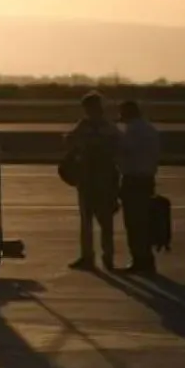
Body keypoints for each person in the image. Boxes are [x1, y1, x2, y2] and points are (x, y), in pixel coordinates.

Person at [64, 91, 121, 270]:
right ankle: (104, 257)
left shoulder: (89, 126)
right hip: (97, 178)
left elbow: (69, 141)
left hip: (95, 177)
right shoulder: (107, 127)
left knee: (95, 221)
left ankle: (93, 256)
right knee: (100, 221)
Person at [117, 99, 161, 274]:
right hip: (147, 178)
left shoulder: (132, 131)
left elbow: (124, 150)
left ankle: (139, 260)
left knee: (134, 223)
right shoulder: (150, 129)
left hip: (133, 179)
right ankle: (146, 260)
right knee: (144, 221)